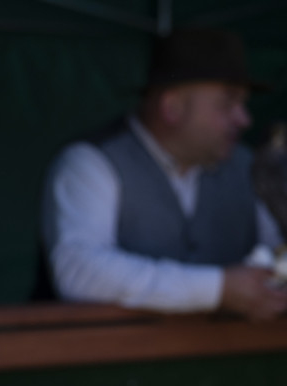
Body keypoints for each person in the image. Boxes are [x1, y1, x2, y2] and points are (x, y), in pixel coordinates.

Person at [42, 28, 287, 320]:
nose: (244, 119)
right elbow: (79, 271)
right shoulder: (90, 162)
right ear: (172, 107)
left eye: (243, 104)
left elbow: (276, 253)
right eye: (227, 103)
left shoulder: (248, 165)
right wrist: (218, 288)